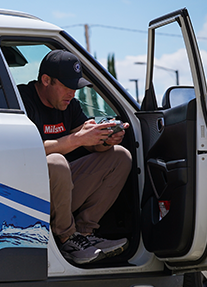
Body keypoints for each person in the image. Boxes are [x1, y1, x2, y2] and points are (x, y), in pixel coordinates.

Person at [17, 51, 131, 267]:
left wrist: (106, 139)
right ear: (46, 80)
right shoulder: (22, 100)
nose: (72, 93)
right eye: (67, 86)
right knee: (57, 162)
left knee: (120, 157)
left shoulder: (70, 105)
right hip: (29, 196)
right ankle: (66, 238)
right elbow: (30, 150)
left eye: (75, 88)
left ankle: (83, 234)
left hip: (62, 194)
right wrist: (77, 139)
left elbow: (89, 140)